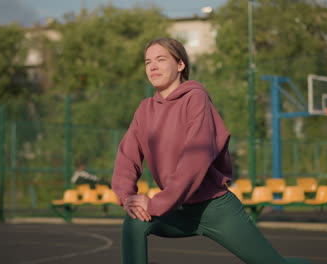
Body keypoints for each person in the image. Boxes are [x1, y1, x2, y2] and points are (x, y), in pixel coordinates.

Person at [111, 37, 312, 264]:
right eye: (148, 62)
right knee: (135, 220)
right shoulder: (145, 109)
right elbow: (127, 157)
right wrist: (127, 197)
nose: (153, 67)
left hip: (215, 208)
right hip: (177, 208)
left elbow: (195, 159)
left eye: (160, 59)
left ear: (180, 65)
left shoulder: (196, 98)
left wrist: (157, 203)